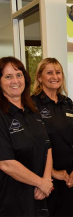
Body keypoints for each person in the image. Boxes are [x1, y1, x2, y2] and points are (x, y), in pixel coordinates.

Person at [0, 56, 53, 216]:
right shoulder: (2, 116)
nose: (15, 81)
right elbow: (6, 163)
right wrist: (41, 183)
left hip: (39, 196)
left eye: (19, 75)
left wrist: (46, 180)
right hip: (12, 201)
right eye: (8, 76)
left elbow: (47, 147)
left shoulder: (33, 112)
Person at [32, 58, 73, 216]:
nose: (55, 76)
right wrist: (53, 172)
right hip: (43, 177)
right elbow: (32, 144)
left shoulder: (67, 103)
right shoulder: (32, 104)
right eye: (49, 72)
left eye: (58, 72)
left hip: (68, 178)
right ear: (40, 78)